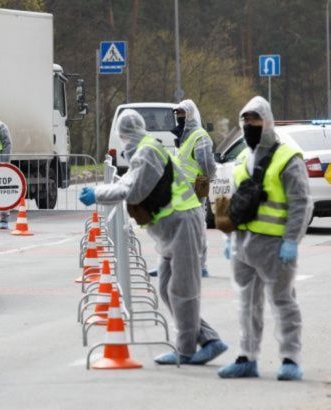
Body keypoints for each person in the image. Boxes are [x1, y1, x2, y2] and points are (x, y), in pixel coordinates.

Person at [79, 109, 227, 365]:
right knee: (168, 288)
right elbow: (132, 180)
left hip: (182, 222)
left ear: (123, 134)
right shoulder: (143, 151)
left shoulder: (147, 151)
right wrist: (101, 190)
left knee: (182, 289)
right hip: (172, 227)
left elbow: (135, 191)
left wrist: (99, 192)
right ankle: (210, 340)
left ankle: (186, 349)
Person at [218, 96, 311, 381]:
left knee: (283, 302)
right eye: (245, 120)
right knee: (247, 304)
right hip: (244, 244)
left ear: (267, 122)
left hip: (275, 245)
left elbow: (301, 203)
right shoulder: (243, 159)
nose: (249, 125)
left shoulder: (287, 157)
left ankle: (290, 358)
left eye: (255, 120)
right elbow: (237, 202)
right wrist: (230, 237)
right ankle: (247, 357)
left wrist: (292, 240)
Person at [174, 99, 217, 278]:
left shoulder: (199, 136)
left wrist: (206, 179)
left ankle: (200, 265)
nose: (180, 117)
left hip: (193, 189)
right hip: (181, 189)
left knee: (196, 226)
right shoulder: (184, 136)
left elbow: (207, 163)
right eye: (177, 114)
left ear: (191, 115)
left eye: (183, 114)